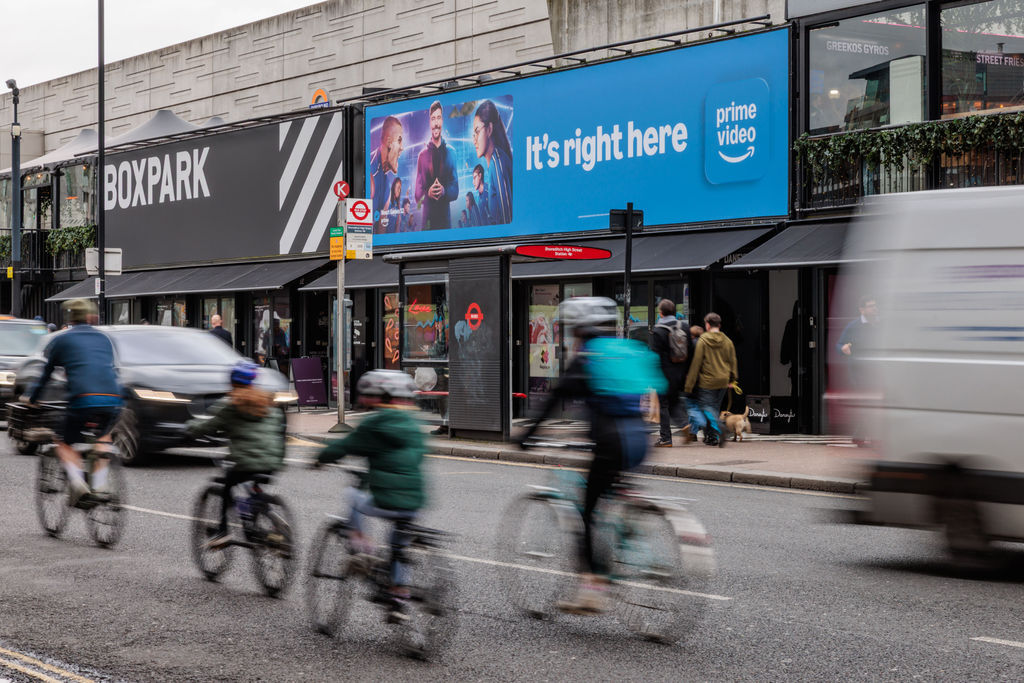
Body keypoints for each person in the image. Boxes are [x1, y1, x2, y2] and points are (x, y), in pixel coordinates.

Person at [519, 297, 665, 614]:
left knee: (586, 513)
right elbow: (661, 388)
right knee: (615, 490)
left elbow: (555, 398)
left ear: (578, 329)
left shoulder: (588, 357)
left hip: (612, 444)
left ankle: (591, 589)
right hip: (640, 441)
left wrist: (528, 435)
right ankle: (631, 525)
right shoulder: (628, 350)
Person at [312, 370, 427, 620]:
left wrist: (319, 459)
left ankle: (363, 550)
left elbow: (345, 446)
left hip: (386, 500)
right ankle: (398, 595)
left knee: (353, 495)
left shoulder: (375, 423)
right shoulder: (413, 425)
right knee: (399, 542)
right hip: (414, 501)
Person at [25, 299, 122, 506]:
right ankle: (100, 485)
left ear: (69, 318)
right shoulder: (104, 338)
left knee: (63, 440)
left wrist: (32, 399)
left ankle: (79, 485)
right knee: (103, 437)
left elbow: (46, 374)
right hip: (113, 398)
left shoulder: (62, 340)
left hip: (82, 399)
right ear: (90, 317)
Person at [184, 361, 285, 549]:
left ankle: (222, 531)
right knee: (253, 485)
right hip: (273, 461)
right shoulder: (267, 401)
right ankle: (268, 520)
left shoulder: (231, 404)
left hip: (247, 462)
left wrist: (189, 428)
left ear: (232, 382)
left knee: (227, 486)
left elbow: (207, 425)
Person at [684, 312, 738, 447]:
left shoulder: (703, 340)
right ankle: (711, 436)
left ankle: (719, 427)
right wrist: (733, 379)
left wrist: (689, 385)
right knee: (714, 408)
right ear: (719, 325)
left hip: (707, 381)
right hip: (723, 380)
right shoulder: (728, 341)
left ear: (707, 325)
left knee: (706, 407)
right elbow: (733, 361)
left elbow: (696, 363)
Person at [649, 299, 691, 448]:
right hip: (680, 372)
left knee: (663, 405)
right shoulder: (684, 327)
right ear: (674, 312)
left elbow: (655, 356)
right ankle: (684, 423)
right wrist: (686, 372)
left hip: (664, 373)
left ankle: (666, 438)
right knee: (675, 400)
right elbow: (691, 351)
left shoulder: (658, 330)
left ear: (661, 313)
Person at [414, 100, 459, 230]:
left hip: (446, 224)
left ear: (442, 121)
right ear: (429, 122)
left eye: (438, 118)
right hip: (427, 225)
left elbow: (455, 190)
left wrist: (444, 191)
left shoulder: (452, 153)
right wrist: (428, 193)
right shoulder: (422, 156)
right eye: (433, 119)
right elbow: (417, 194)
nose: (436, 123)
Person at [472, 100, 512, 224]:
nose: (474, 140)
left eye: (477, 132)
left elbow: (508, 218)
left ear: (489, 129)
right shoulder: (493, 165)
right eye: (473, 134)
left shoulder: (497, 162)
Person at [370, 115, 404, 233]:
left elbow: (381, 229)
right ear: (389, 142)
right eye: (399, 140)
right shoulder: (370, 171)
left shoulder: (387, 184)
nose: (402, 148)